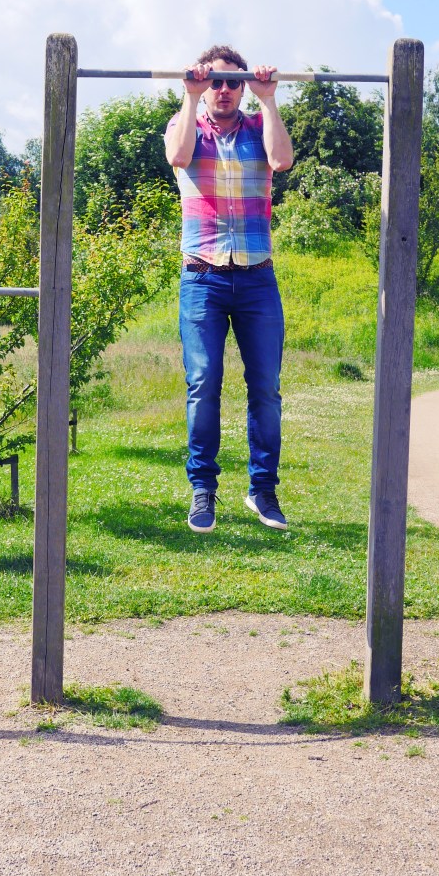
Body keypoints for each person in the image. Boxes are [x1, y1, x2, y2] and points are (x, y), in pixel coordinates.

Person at [165, 44, 294, 533]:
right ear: (205, 87)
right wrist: (189, 94)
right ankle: (203, 489)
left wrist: (269, 98)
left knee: (265, 388)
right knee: (204, 384)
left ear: (243, 88)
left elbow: (281, 160)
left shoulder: (261, 127)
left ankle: (263, 490)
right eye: (215, 82)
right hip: (203, 277)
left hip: (257, 277)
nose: (223, 90)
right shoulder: (185, 126)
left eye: (232, 83)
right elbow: (178, 157)